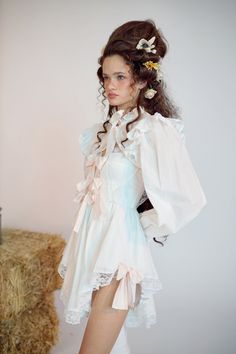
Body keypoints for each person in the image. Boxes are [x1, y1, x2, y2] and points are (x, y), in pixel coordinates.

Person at [57, 19, 207, 354]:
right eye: (106, 77)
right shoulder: (106, 130)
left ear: (140, 79)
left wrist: (139, 222)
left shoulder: (152, 131)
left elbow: (189, 198)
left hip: (119, 255)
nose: (110, 85)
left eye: (120, 77)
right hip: (94, 247)